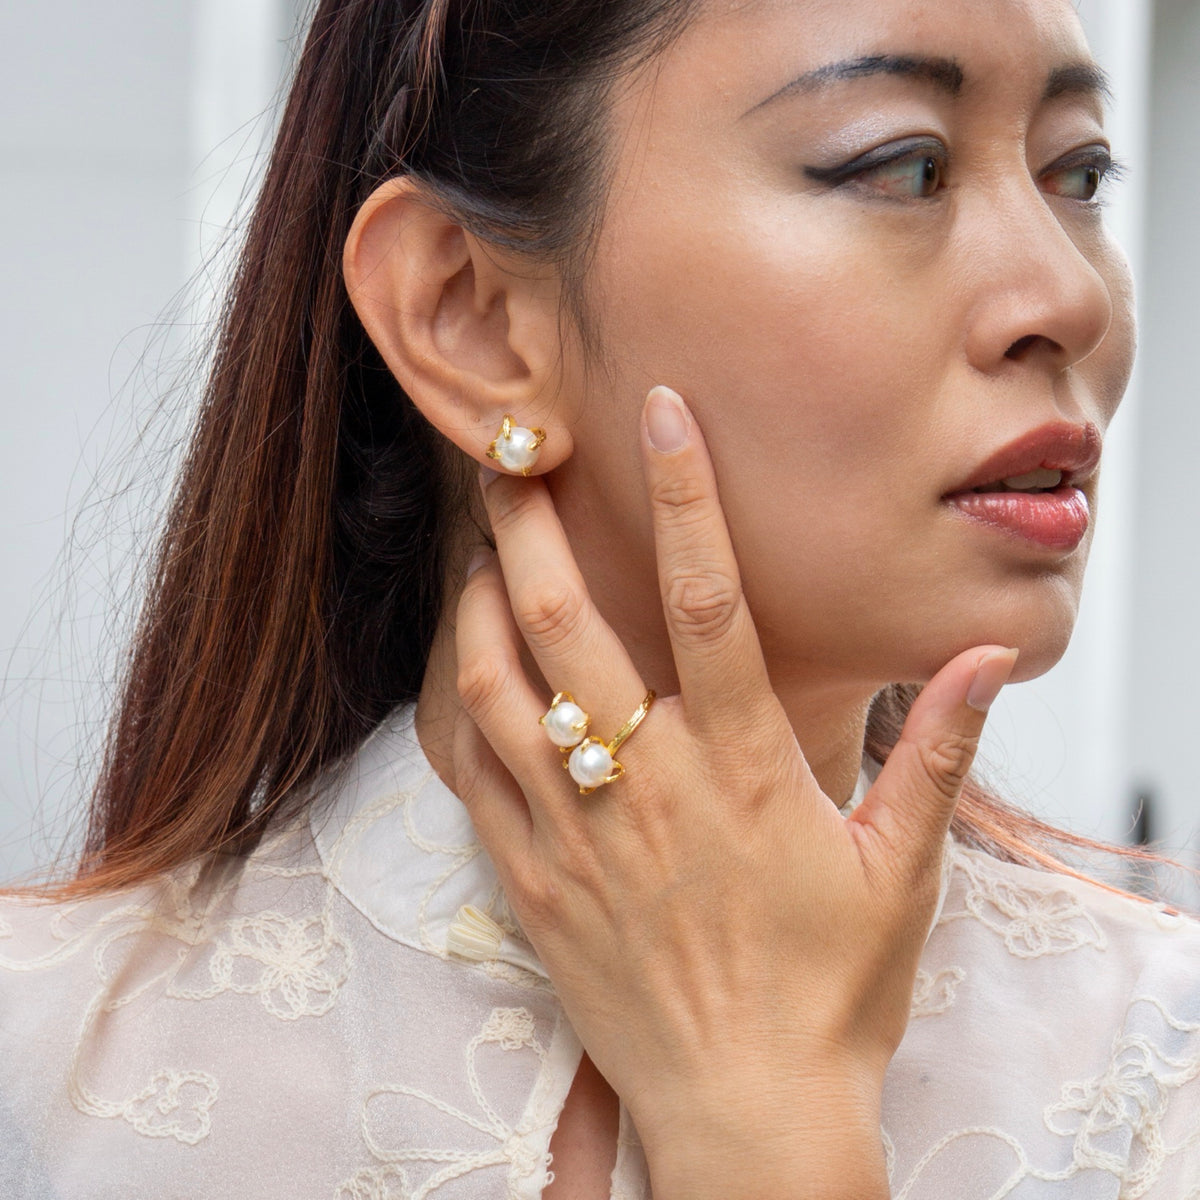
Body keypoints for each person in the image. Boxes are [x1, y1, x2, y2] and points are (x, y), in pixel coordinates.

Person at [1, 0, 1197, 1196]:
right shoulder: (43, 1073)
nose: (1069, 297)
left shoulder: (1159, 1070)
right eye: (904, 167)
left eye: (1078, 173)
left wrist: (770, 1120)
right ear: (467, 315)